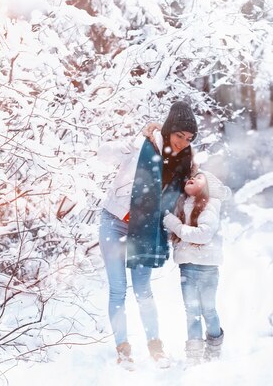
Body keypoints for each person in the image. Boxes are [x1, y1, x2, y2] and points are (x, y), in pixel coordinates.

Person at [97, 101, 198, 369]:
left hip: (145, 230)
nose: (183, 143)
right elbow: (102, 153)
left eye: (188, 139)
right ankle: (123, 349)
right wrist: (133, 140)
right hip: (114, 223)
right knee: (118, 290)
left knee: (143, 290)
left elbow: (199, 190)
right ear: (168, 130)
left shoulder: (182, 163)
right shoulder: (142, 145)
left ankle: (155, 346)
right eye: (179, 136)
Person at [162, 171, 231, 366]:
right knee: (192, 310)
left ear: (208, 186)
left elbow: (203, 235)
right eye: (192, 176)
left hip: (207, 268)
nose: (192, 178)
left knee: (208, 309)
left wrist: (175, 224)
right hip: (187, 267)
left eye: (200, 177)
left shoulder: (210, 205)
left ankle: (214, 349)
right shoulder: (183, 205)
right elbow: (178, 234)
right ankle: (193, 356)